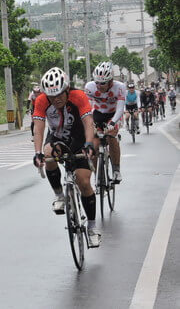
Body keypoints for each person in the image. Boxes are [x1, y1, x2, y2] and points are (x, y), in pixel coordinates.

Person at [32, 67, 100, 247]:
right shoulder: (41, 101)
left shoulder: (79, 96)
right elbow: (38, 129)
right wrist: (37, 152)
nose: (57, 99)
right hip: (57, 137)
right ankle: (60, 196)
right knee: (47, 155)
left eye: (60, 94)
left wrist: (88, 144)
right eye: (52, 96)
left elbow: (88, 122)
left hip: (79, 139)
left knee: (84, 182)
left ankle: (92, 228)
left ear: (67, 89)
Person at [85, 62, 126, 184]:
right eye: (96, 82)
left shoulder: (119, 87)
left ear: (111, 81)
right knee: (95, 144)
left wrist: (113, 123)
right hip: (97, 113)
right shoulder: (90, 87)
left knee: (111, 137)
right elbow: (87, 108)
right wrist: (89, 123)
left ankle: (116, 170)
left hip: (113, 114)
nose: (99, 85)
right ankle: (97, 174)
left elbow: (120, 109)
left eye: (102, 83)